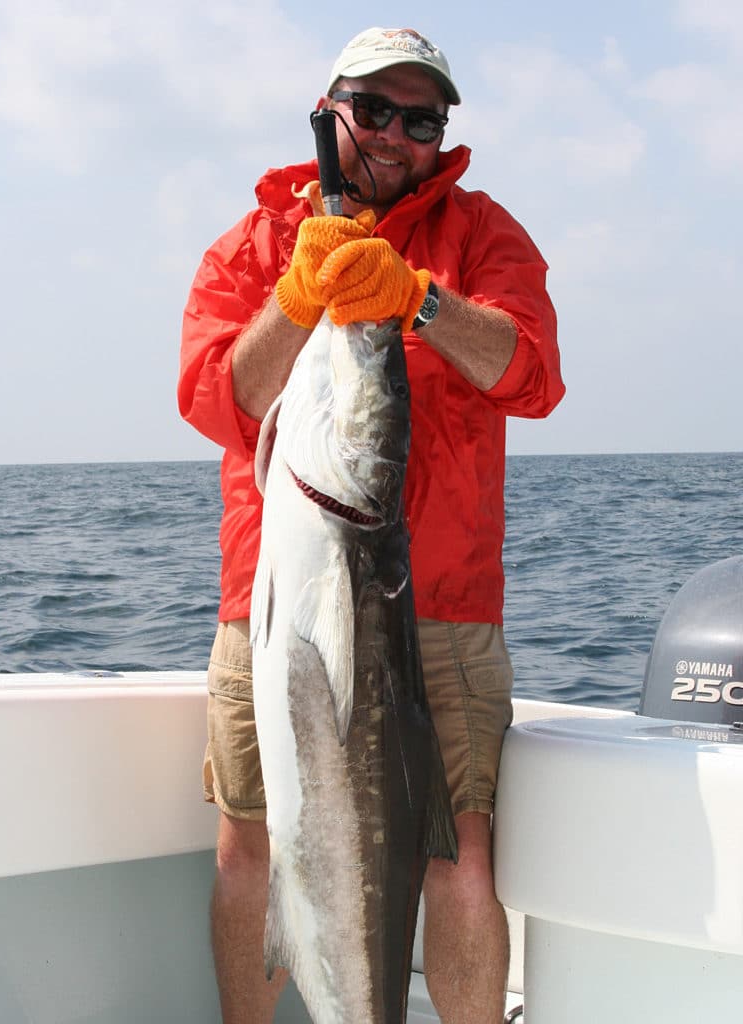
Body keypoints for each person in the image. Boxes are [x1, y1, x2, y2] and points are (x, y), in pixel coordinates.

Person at [179, 26, 564, 1024]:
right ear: (330, 106)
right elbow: (216, 401)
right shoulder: (256, 245)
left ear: (443, 134)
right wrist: (299, 301)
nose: (396, 133)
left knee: (459, 853)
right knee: (249, 843)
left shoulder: (484, 238)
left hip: (444, 609)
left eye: (421, 117)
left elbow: (532, 374)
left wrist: (418, 303)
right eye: (374, 109)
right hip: (274, 596)